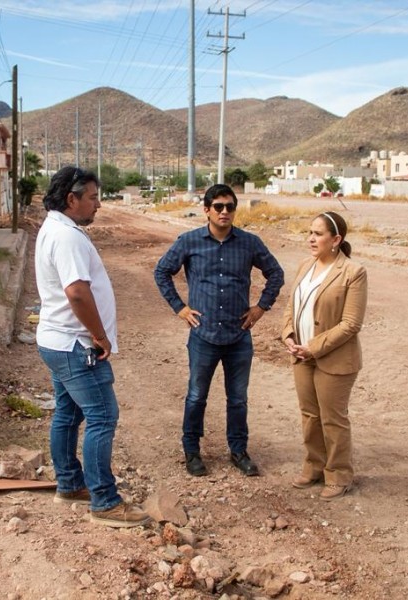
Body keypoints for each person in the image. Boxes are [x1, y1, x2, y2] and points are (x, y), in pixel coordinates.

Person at [35, 166, 150, 528]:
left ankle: (70, 484)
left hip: (57, 340)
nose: (98, 205)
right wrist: (99, 335)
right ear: (72, 199)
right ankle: (104, 500)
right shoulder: (67, 237)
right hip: (75, 344)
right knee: (102, 416)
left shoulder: (55, 227)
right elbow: (77, 293)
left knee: (68, 414)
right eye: (93, 198)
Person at [154, 184, 284, 477]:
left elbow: (275, 273)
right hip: (204, 335)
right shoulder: (189, 242)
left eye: (230, 207)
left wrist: (261, 307)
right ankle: (192, 452)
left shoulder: (250, 243)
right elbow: (162, 271)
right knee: (197, 395)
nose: (225, 212)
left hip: (239, 335)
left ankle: (238, 451)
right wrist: (180, 307)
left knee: (237, 398)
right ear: (207, 210)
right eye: (219, 207)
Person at [280, 211, 367, 501]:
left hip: (334, 359)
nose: (311, 238)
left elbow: (351, 324)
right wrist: (288, 334)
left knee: (333, 418)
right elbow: (292, 305)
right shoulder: (306, 265)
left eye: (318, 233)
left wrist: (313, 346)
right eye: (309, 232)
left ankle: (340, 475)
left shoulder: (353, 272)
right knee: (310, 415)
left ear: (336, 239)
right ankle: (314, 466)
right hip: (301, 354)